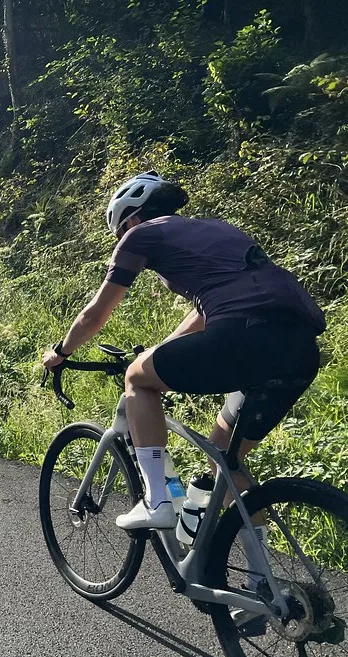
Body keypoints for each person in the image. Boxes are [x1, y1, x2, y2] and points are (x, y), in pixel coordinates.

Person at [42, 171, 325, 532]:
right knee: (225, 455)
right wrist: (159, 352)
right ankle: (262, 577)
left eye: (120, 230)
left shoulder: (141, 235)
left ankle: (158, 499)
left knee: (137, 380)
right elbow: (204, 313)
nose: (122, 236)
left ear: (130, 218)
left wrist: (61, 352)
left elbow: (95, 314)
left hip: (240, 335)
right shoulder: (219, 231)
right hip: (299, 348)